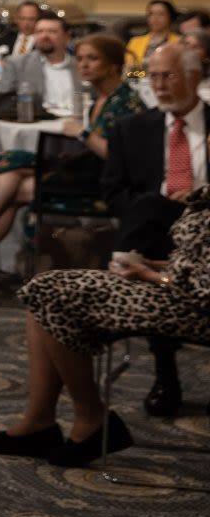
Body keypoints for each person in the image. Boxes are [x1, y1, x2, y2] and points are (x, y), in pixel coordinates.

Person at [0, 187, 210, 468]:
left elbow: (201, 288)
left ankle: (91, 418)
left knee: (53, 295)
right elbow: (196, 266)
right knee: (42, 288)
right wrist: (152, 264)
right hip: (177, 292)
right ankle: (39, 423)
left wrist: (151, 275)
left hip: (194, 309)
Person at [0, 33, 145, 281]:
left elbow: (117, 158)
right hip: (86, 172)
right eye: (80, 59)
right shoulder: (100, 98)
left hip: (103, 184)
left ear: (113, 65)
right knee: (12, 170)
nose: (83, 65)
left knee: (13, 183)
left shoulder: (127, 103)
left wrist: (81, 133)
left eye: (92, 59)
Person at [101, 41, 207, 416]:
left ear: (194, 77)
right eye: (153, 76)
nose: (158, 85)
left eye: (168, 75)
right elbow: (113, 193)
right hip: (155, 231)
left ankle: (121, 270)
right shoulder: (131, 129)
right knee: (148, 211)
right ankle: (166, 373)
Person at [0, 12, 81, 116]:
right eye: (40, 32)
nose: (45, 36)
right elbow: (1, 104)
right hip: (36, 126)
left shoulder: (80, 66)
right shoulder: (16, 64)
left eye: (52, 31)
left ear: (67, 37)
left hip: (75, 123)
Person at [127, 0, 183, 68]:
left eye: (161, 14)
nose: (155, 18)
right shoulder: (135, 41)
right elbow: (128, 66)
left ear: (170, 17)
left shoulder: (180, 41)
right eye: (151, 14)